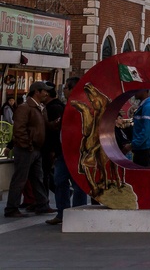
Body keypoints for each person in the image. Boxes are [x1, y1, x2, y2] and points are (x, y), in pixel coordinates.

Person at [5, 81, 56, 218]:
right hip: (26, 149)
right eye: (44, 91)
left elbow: (45, 126)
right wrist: (27, 145)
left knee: (37, 178)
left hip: (35, 149)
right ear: (37, 92)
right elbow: (19, 129)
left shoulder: (40, 108)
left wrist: (56, 123)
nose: (47, 93)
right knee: (20, 179)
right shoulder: (25, 107)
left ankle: (42, 205)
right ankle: (11, 208)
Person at [46, 77, 87, 225]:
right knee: (59, 180)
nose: (63, 90)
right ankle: (62, 212)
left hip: (76, 151)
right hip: (63, 150)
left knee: (78, 183)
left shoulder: (81, 106)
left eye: (66, 88)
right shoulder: (66, 106)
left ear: (72, 89)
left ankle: (77, 213)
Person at [126, 89, 150, 167]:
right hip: (141, 147)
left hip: (145, 148)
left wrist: (132, 145)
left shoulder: (148, 107)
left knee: (145, 175)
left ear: (145, 90)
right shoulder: (144, 106)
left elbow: (147, 131)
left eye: (137, 89)